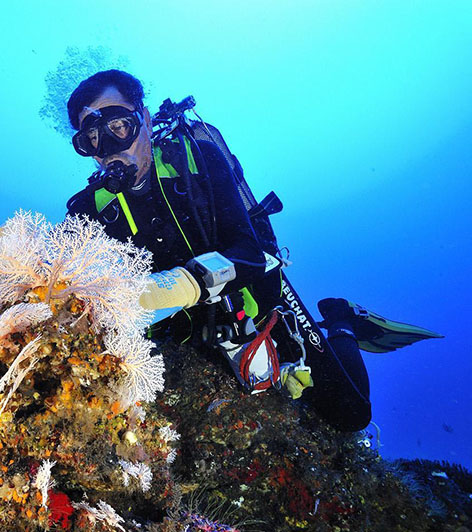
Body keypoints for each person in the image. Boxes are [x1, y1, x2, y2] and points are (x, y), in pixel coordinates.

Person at [65, 70, 441, 432]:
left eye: (118, 128)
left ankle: (341, 318)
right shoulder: (87, 210)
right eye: (93, 140)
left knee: (350, 414)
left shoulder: (198, 160)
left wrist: (179, 286)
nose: (108, 149)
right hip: (187, 337)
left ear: (144, 119)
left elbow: (250, 253)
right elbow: (59, 276)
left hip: (258, 308)